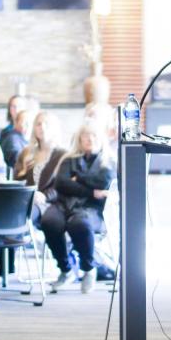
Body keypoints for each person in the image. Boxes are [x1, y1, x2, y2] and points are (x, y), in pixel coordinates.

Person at [41, 121, 115, 294]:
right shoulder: (69, 159)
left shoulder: (108, 160)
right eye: (85, 135)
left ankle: (88, 268)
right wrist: (90, 190)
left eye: (93, 135)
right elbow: (61, 183)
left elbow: (104, 181)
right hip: (63, 204)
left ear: (101, 138)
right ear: (79, 139)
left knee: (79, 224)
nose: (89, 139)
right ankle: (65, 269)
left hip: (93, 209)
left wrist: (77, 178)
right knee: (49, 221)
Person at [14, 111, 66, 224]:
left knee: (23, 215)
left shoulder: (62, 154)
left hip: (50, 203)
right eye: (38, 124)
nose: (42, 127)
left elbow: (62, 186)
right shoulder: (27, 152)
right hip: (26, 199)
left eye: (46, 124)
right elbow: (17, 181)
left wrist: (43, 196)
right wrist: (23, 171)